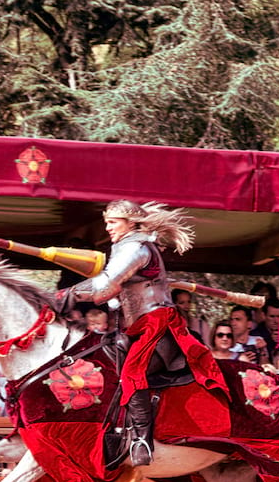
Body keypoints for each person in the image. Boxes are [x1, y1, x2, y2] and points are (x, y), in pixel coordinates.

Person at [58, 200, 212, 467]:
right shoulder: (127, 247)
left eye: (113, 222)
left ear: (130, 223)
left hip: (155, 324)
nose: (107, 228)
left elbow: (106, 286)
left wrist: (68, 293)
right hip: (135, 325)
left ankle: (142, 440)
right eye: (106, 222)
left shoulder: (135, 248)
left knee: (132, 370)